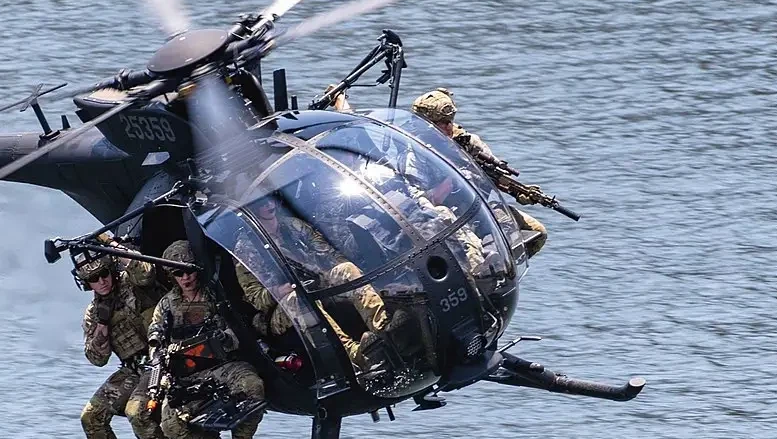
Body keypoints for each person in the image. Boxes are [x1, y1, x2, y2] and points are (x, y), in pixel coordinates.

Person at [78, 249, 183, 439]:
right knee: (91, 416)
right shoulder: (94, 312)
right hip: (131, 368)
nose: (101, 281)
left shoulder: (131, 284)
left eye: (103, 274)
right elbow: (96, 359)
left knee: (137, 412)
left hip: (160, 361)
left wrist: (117, 249)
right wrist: (102, 328)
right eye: (93, 279)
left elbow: (146, 273)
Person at [149, 241, 267, 439]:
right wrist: (159, 355)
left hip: (220, 366)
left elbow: (239, 330)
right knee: (170, 425)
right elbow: (155, 336)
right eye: (179, 273)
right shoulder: (166, 306)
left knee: (253, 386)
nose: (186, 278)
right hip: (186, 375)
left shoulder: (215, 296)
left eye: (189, 271)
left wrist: (223, 339)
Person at [232, 196, 398, 366]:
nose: (268, 204)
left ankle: (386, 331)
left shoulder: (293, 225)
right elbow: (255, 298)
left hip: (316, 284)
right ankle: (356, 356)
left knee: (346, 269)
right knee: (298, 299)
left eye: (269, 199)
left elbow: (329, 253)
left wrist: (343, 274)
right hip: (283, 307)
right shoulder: (246, 248)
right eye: (260, 203)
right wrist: (282, 290)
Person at [410, 88, 548, 256]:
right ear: (427, 125)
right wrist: (448, 186)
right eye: (442, 123)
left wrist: (517, 192)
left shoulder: (466, 142)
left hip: (478, 206)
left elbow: (493, 173)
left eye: (450, 121)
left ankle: (505, 267)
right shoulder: (414, 152)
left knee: (537, 232)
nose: (449, 127)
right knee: (474, 252)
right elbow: (416, 201)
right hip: (442, 216)